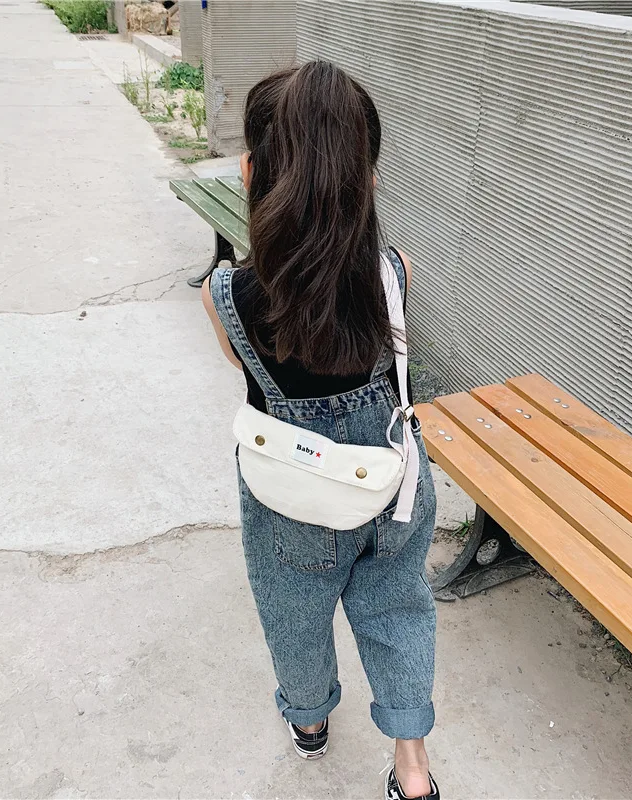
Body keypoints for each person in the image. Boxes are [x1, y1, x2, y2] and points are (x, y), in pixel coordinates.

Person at [202, 61, 439, 800]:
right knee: (398, 611)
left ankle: (309, 721)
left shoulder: (225, 295)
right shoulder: (395, 271)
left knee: (294, 616)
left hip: (291, 499)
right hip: (392, 486)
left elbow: (244, 363)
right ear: (367, 178)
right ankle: (413, 766)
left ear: (250, 172)